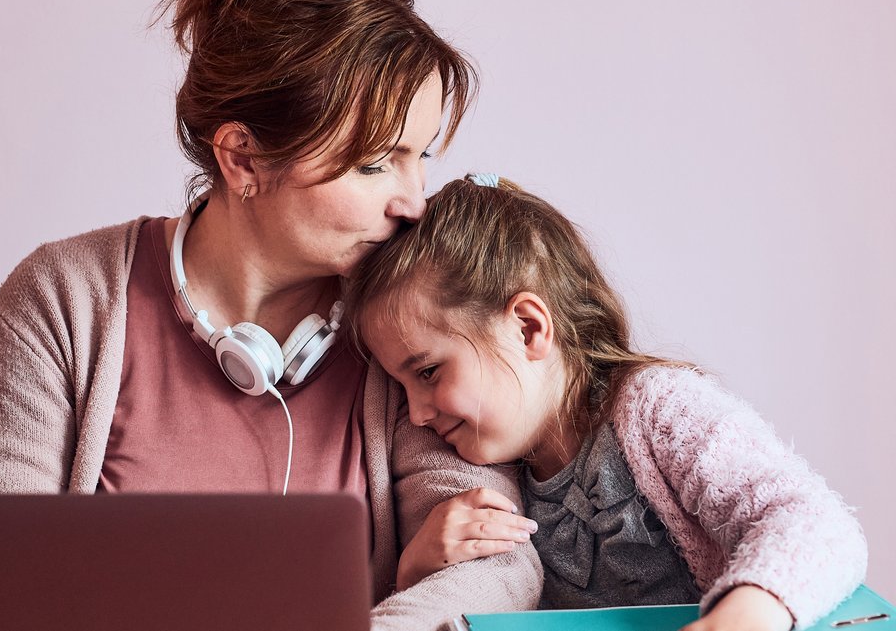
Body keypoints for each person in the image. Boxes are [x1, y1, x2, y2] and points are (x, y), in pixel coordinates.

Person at [0, 0, 543, 629]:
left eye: (419, 157)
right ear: (243, 157)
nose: (413, 202)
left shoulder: (411, 327)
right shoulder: (63, 297)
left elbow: (497, 560)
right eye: (374, 164)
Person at [348, 174, 868, 631]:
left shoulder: (657, 411)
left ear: (528, 328)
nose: (416, 412)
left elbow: (816, 524)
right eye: (404, 386)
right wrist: (413, 571)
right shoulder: (494, 474)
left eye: (429, 372)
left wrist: (745, 614)